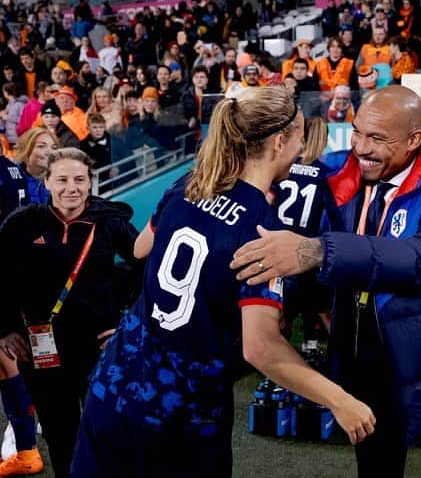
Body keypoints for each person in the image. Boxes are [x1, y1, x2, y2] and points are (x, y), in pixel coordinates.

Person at [71, 86, 375, 477]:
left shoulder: (189, 184)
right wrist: (339, 399)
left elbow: (141, 249)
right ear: (280, 140)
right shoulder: (262, 230)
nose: (303, 146)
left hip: (113, 386)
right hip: (180, 416)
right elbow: (261, 348)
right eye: (300, 135)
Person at [231, 85, 421, 478]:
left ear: (413, 139)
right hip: (365, 364)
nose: (361, 147)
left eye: (377, 138)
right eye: (357, 132)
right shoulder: (344, 169)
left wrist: (319, 250)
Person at [0, 148, 139, 477]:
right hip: (41, 350)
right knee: (60, 436)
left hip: (100, 348)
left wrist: (128, 321)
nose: (71, 188)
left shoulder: (111, 222)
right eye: (62, 179)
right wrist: (4, 329)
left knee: (106, 431)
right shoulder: (22, 224)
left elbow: (149, 270)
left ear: (91, 182)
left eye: (80, 179)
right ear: (47, 182)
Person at [273, 116, 340, 340]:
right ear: (324, 139)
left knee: (282, 315)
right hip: (304, 250)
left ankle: (276, 368)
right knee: (324, 308)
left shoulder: (283, 166)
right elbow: (334, 216)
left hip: (275, 245)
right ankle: (340, 358)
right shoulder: (324, 174)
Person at [13, 127, 58, 204]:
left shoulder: (59, 180)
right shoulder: (9, 179)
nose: (50, 152)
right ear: (26, 149)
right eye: (41, 146)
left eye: (54, 148)